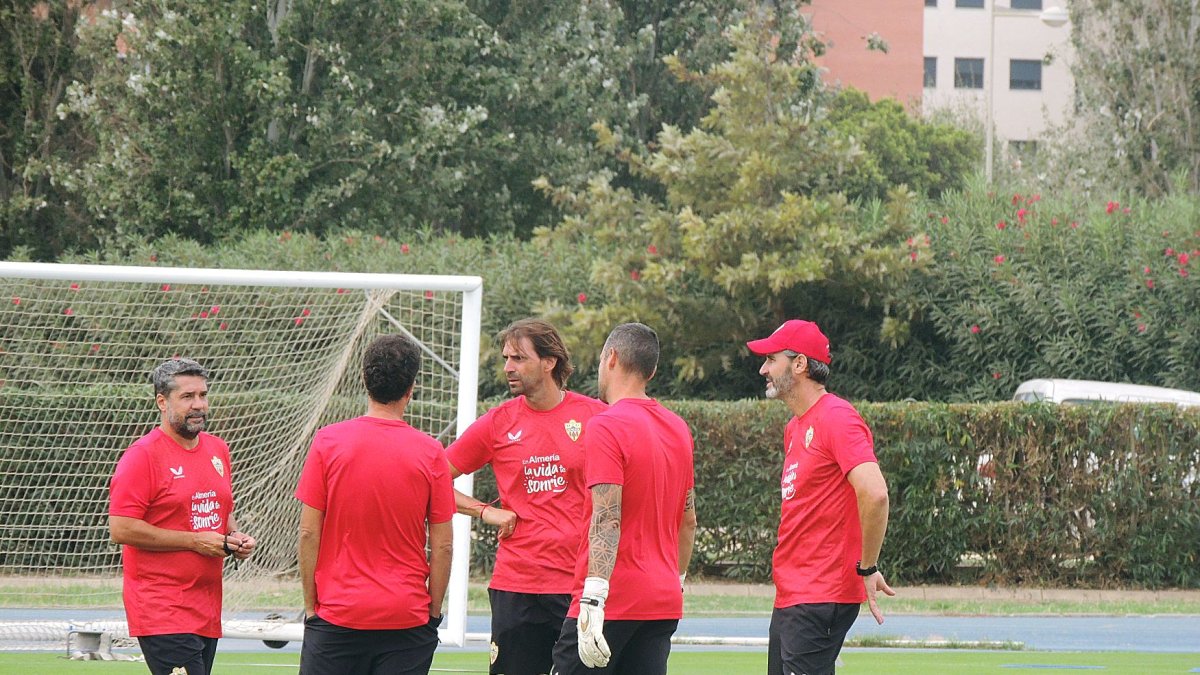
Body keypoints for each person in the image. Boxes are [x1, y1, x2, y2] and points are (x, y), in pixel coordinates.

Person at [445, 318, 606, 675]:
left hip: (578, 588)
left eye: (518, 358)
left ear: (549, 362)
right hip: (516, 586)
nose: (508, 367)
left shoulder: (595, 416)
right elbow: (431, 479)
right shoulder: (498, 422)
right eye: (506, 358)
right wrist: (485, 511)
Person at [295, 334, 455, 675]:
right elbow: (442, 546)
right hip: (406, 618)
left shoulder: (328, 441)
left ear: (365, 380)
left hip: (337, 614)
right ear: (411, 388)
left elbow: (308, 532)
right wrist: (433, 613)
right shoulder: (431, 452)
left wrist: (311, 607)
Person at [746, 319, 894, 675]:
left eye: (771, 359)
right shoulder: (795, 427)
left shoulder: (837, 417)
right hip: (793, 594)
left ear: (799, 364)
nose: (763, 369)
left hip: (820, 594)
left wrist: (868, 566)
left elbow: (875, 494)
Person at [551, 322, 697, 675]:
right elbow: (688, 519)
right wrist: (675, 582)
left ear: (611, 358)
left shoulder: (606, 425)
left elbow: (607, 518)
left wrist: (593, 599)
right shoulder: (678, 427)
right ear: (652, 371)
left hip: (613, 600)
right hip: (662, 601)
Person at [108, 357, 257, 675]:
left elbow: (220, 508)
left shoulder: (218, 449)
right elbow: (121, 528)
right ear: (162, 402)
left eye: (203, 395)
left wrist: (234, 537)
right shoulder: (142, 456)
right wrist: (194, 541)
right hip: (162, 608)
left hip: (206, 607)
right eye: (187, 396)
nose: (198, 404)